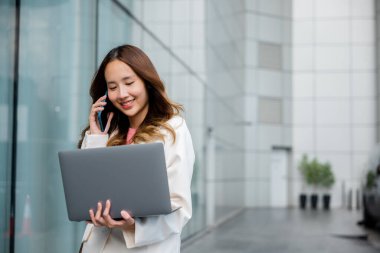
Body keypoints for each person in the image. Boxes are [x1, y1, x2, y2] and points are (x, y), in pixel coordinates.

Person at [77, 44, 195, 252]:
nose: (122, 94)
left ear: (146, 82)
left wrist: (134, 225)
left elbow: (180, 209)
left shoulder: (173, 129)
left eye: (129, 82)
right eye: (112, 87)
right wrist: (96, 138)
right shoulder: (112, 130)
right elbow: (88, 191)